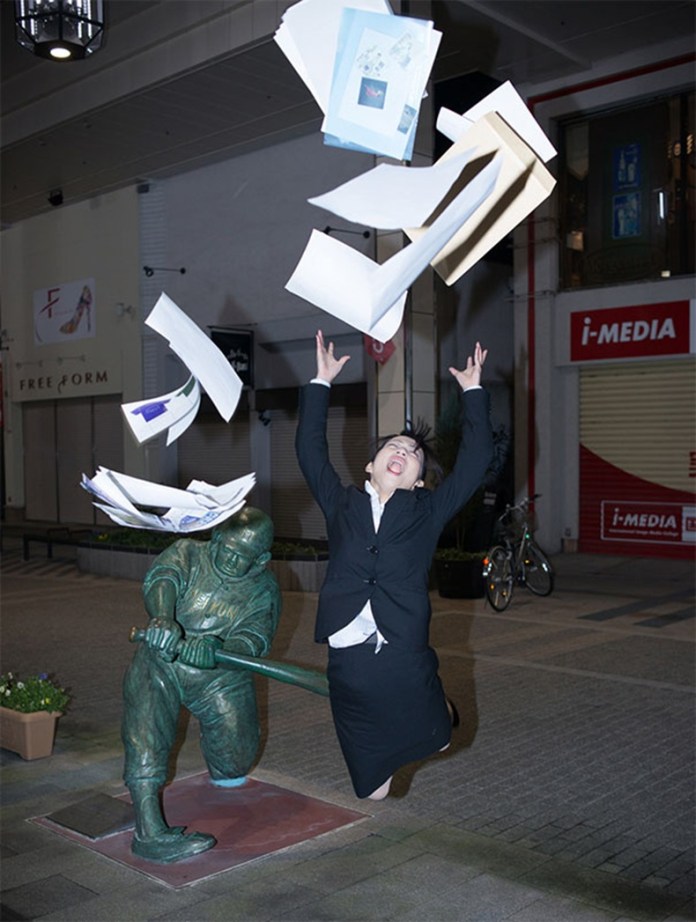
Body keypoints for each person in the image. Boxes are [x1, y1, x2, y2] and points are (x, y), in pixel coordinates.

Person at [296, 330, 493, 801]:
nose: (402, 452)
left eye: (413, 453)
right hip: (348, 659)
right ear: (370, 465)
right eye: (393, 447)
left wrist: (472, 393)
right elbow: (310, 452)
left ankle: (441, 712)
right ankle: (416, 731)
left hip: (402, 648)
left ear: (420, 480)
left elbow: (476, 460)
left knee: (439, 735)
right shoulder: (342, 504)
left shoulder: (426, 512)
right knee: (374, 793)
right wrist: (321, 383)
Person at [122, 506, 281, 862]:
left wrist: (221, 648)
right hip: (163, 657)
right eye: (225, 546)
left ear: (261, 559)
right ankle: (148, 830)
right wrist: (162, 618)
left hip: (219, 676)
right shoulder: (187, 552)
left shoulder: (264, 588)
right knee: (145, 720)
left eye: (242, 557)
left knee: (235, 762)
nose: (229, 558)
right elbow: (163, 579)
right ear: (216, 538)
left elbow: (255, 637)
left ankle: (223, 764)